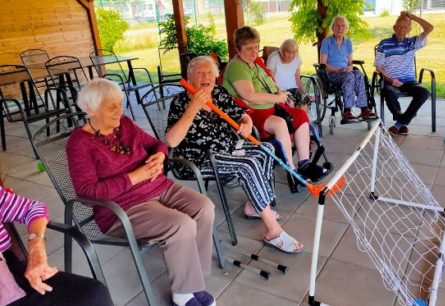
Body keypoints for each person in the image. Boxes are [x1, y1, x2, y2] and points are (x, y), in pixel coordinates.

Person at [66, 78, 216, 306]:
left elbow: (158, 144)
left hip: (159, 187)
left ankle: (194, 280)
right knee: (181, 224)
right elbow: (87, 193)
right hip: (122, 208)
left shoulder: (124, 124)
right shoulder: (79, 143)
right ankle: (183, 294)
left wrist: (161, 155)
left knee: (205, 207)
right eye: (111, 106)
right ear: (90, 109)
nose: (120, 111)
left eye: (120, 103)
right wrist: (136, 176)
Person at [166, 56, 304, 254]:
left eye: (210, 73)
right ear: (189, 77)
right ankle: (273, 231)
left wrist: (247, 122)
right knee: (247, 164)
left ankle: (253, 206)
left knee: (266, 150)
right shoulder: (180, 102)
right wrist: (194, 106)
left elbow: (241, 113)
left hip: (228, 147)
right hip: (199, 158)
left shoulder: (219, 93)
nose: (206, 77)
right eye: (200, 73)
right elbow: (171, 141)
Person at [221, 26, 328, 183]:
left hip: (270, 107)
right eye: (249, 48)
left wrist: (280, 93)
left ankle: (304, 163)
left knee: (300, 115)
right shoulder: (237, 66)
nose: (254, 52)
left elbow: (270, 81)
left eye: (256, 47)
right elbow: (249, 95)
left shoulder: (255, 62)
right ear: (237, 49)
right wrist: (278, 98)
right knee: (280, 123)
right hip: (250, 114)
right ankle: (292, 171)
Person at [0, 185, 113, 306]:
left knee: (94, 294)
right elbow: (89, 191)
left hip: (10, 272)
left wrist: (36, 248)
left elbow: (33, 209)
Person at [374, 11, 434, 135]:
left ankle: (399, 123)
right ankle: (402, 122)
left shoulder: (413, 42)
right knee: (388, 92)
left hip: (409, 81)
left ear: (409, 29)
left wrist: (411, 16)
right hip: (390, 80)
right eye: (399, 27)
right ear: (394, 28)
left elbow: (429, 28)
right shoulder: (384, 44)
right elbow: (378, 67)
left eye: (405, 27)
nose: (401, 30)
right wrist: (390, 79)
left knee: (423, 92)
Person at [320, 15, 377, 123]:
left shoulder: (348, 42)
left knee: (359, 74)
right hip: (331, 74)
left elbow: (350, 62)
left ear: (346, 29)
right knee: (349, 76)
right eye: (337, 26)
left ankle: (364, 109)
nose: (340, 28)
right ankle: (347, 111)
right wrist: (338, 70)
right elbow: (323, 64)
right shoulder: (326, 42)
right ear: (333, 28)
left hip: (345, 72)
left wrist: (349, 67)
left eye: (343, 26)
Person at [266, 39, 309, 109]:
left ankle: (302, 119)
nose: (291, 55)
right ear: (282, 51)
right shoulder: (274, 58)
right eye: (288, 52)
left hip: (294, 89)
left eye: (294, 52)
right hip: (279, 91)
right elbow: (271, 81)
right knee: (291, 104)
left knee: (305, 101)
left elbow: (298, 79)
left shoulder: (297, 58)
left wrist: (304, 93)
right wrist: (280, 94)